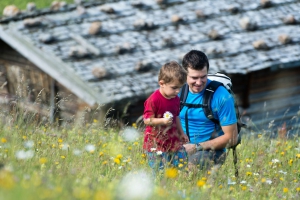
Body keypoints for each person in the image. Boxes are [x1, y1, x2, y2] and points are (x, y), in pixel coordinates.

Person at [180, 50, 238, 170]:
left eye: (203, 77)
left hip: (211, 150)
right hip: (180, 147)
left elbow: (232, 137)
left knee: (190, 169)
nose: (199, 82)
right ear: (184, 75)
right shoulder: (177, 91)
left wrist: (196, 147)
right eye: (194, 78)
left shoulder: (222, 96)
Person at [143, 61, 189, 170]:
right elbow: (146, 120)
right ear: (162, 83)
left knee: (182, 167)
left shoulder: (176, 99)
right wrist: (162, 121)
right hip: (156, 144)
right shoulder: (153, 100)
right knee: (159, 173)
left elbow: (176, 116)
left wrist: (181, 133)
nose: (178, 91)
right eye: (174, 87)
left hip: (173, 141)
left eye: (180, 88)